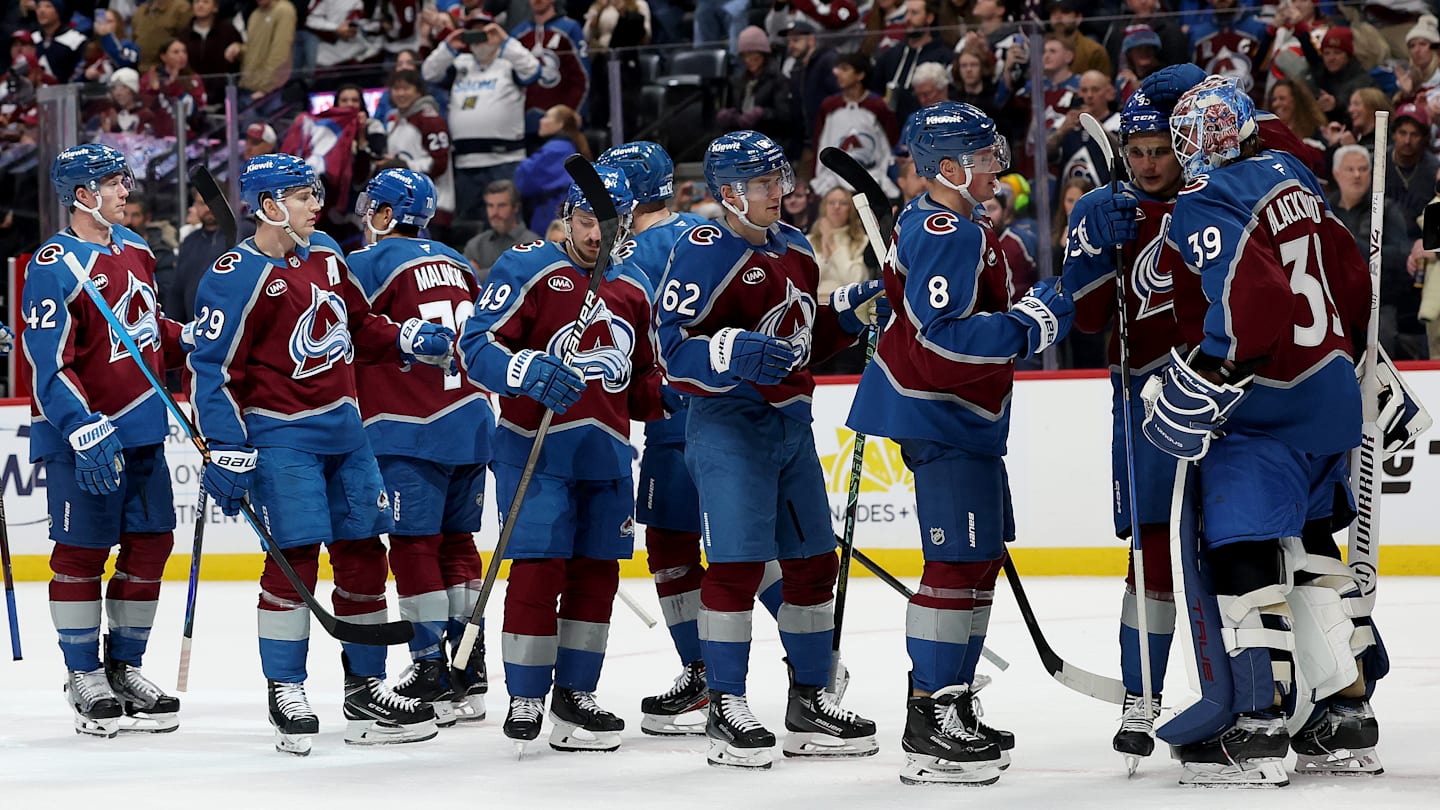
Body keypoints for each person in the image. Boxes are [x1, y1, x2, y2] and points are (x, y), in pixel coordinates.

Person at [1143, 76, 1384, 786]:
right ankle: (1346, 711)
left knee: (1241, 549)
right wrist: (1343, 358)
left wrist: (1218, 370)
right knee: (1311, 548)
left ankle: (1256, 724)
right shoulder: (1294, 177)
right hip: (1330, 394)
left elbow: (1253, 300)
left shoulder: (1205, 199)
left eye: (1191, 140)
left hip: (1268, 403)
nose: (1187, 154)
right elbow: (1351, 282)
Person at [187, 153, 455, 756]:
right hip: (283, 436)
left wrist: (408, 338)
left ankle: (366, 688)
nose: (317, 204)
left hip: (347, 432)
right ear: (270, 205)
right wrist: (227, 447)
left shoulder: (328, 255)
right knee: (296, 558)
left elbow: (360, 325)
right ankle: (287, 686)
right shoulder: (232, 275)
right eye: (304, 195)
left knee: (363, 555)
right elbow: (210, 370)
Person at [845, 102, 1072, 786]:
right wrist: (1027, 327)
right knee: (953, 565)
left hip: (964, 418)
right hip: (941, 418)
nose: (997, 165)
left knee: (975, 562)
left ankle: (953, 703)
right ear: (948, 168)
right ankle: (930, 716)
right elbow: (942, 335)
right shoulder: (947, 229)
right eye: (984, 155)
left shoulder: (954, 223)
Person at [654, 130, 883, 770]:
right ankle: (726, 703)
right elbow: (670, 349)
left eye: (779, 178)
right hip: (728, 426)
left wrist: (854, 311)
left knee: (812, 564)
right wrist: (725, 352)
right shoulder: (702, 251)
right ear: (729, 193)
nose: (779, 192)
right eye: (763, 183)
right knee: (737, 565)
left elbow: (805, 337)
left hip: (792, 426)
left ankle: (808, 700)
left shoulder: (795, 249)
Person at [457, 165, 663, 754]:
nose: (598, 234)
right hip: (535, 449)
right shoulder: (528, 266)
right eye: (587, 220)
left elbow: (642, 378)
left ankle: (576, 694)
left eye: (610, 222)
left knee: (596, 575)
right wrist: (522, 370)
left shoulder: (632, 286)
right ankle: (526, 694)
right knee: (539, 568)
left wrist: (671, 394)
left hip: (607, 452)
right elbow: (475, 347)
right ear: (568, 217)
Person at [595, 140, 787, 734]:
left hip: (680, 414)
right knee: (722, 542)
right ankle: (812, 659)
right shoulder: (710, 229)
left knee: (683, 547)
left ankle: (708, 672)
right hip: (711, 409)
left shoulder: (637, 251)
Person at [23, 143, 190, 738]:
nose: (127, 192)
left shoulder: (138, 250)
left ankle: (124, 667)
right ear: (84, 194)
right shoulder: (53, 263)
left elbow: (148, 330)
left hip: (142, 428)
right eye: (117, 183)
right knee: (82, 552)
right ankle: (82, 673)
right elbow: (45, 358)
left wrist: (188, 338)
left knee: (151, 546)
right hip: (84, 436)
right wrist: (79, 423)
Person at [1060, 89, 1184, 766]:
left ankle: (1254, 692)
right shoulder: (1099, 207)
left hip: (1217, 390)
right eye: (1135, 152)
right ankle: (1143, 697)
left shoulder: (1210, 197)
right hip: (1139, 392)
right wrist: (1088, 250)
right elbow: (1083, 321)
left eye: (1160, 149)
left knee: (1231, 545)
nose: (1146, 164)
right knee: (1152, 551)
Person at [347, 168, 496, 727]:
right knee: (457, 544)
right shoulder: (459, 262)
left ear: (385, 215)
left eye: (372, 209)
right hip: (472, 418)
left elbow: (345, 328)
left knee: (413, 545)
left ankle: (430, 663)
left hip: (411, 423)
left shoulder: (366, 264)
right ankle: (468, 664)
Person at [423, 9, 540, 225]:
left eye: (484, 33)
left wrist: (506, 41)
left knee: (508, 222)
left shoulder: (508, 63)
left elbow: (533, 70)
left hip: (505, 161)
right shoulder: (461, 65)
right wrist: (448, 45)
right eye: (473, 34)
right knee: (468, 225)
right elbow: (429, 73)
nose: (480, 40)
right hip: (466, 163)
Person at [514, 104, 592, 235]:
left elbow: (524, 178)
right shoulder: (566, 146)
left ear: (560, 124)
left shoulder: (556, 149)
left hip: (551, 213)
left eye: (547, 117)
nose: (541, 121)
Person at [463, 179, 540, 281]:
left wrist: (478, 274)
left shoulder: (533, 244)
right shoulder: (475, 245)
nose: (494, 213)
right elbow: (464, 280)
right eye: (490, 206)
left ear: (516, 207)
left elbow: (520, 279)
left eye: (501, 206)